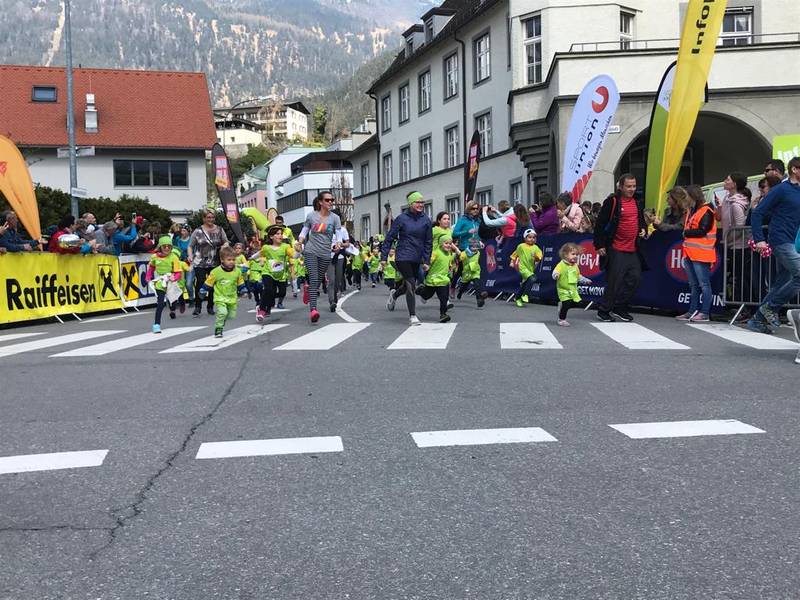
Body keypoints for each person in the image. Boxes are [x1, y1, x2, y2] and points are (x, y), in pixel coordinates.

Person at [747, 156, 800, 334]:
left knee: (782, 283)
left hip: (794, 242)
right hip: (781, 240)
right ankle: (770, 307)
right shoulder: (781, 189)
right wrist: (759, 239)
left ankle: (757, 320)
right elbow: (758, 213)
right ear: (794, 169)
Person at [593, 173, 647, 322]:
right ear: (621, 187)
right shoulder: (612, 202)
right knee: (614, 281)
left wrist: (643, 229)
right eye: (628, 186)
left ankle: (619, 307)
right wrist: (599, 245)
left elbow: (641, 221)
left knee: (635, 278)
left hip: (632, 249)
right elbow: (600, 224)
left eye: (634, 186)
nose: (632, 189)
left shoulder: (637, 202)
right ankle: (604, 310)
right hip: (616, 248)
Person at [382, 191, 432, 325]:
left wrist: (427, 260)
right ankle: (413, 316)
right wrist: (384, 257)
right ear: (410, 203)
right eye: (417, 202)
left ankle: (394, 295)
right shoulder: (401, 219)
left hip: (417, 257)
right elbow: (389, 238)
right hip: (403, 256)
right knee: (410, 283)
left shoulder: (426, 220)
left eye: (422, 202)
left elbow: (428, 242)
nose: (421, 204)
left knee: (408, 285)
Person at [297, 190, 342, 323]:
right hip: (311, 251)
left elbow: (338, 234)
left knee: (316, 282)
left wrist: (338, 244)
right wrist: (300, 241)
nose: (330, 202)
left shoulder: (335, 218)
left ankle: (308, 289)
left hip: (325, 253)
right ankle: (313, 310)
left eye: (332, 200)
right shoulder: (311, 216)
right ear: (320, 202)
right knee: (314, 279)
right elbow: (304, 231)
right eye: (327, 200)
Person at [675, 185, 717, 322]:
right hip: (690, 252)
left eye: (687, 196)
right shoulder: (692, 210)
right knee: (694, 284)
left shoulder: (706, 211)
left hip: (701, 253)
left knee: (703, 284)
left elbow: (703, 230)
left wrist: (686, 233)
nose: (685, 199)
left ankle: (704, 313)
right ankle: (692, 311)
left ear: (693, 196)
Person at [199, 245, 248, 338]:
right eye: (229, 260)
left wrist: (243, 290)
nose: (231, 262)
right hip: (220, 297)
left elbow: (240, 282)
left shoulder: (237, 271)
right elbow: (209, 282)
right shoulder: (216, 272)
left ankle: (222, 320)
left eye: (233, 260)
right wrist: (203, 290)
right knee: (222, 312)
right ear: (222, 260)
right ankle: (218, 328)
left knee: (231, 316)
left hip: (232, 297)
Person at [189, 209, 229, 317]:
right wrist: (190, 255)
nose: (211, 219)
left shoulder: (219, 230)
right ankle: (198, 306)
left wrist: (224, 246)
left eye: (212, 217)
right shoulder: (198, 231)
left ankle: (210, 306)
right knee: (201, 282)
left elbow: (226, 241)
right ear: (204, 218)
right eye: (208, 217)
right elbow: (190, 246)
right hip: (200, 261)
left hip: (214, 261)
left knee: (213, 283)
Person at [451, 199, 487, 307]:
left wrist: (480, 242)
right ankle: (453, 287)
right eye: (473, 208)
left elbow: (478, 234)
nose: (475, 210)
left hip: (475, 247)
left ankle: (479, 297)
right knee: (461, 271)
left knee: (474, 271)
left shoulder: (478, 220)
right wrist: (467, 231)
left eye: (477, 208)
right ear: (468, 209)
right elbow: (454, 233)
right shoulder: (463, 220)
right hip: (465, 248)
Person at [145, 236, 183, 334]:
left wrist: (174, 278)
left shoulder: (174, 257)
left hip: (171, 281)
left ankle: (175, 307)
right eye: (164, 246)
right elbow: (151, 268)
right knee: (160, 303)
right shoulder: (154, 257)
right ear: (160, 247)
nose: (166, 248)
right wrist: (148, 277)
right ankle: (156, 325)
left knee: (173, 300)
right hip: (160, 282)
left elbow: (178, 272)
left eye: (169, 246)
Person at [257, 225, 294, 321]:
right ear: (271, 236)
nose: (280, 235)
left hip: (281, 275)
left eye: (281, 234)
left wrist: (298, 251)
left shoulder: (286, 246)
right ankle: (261, 310)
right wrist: (260, 260)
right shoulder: (266, 247)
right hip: (268, 272)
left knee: (282, 293)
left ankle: (268, 298)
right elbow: (261, 254)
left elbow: (293, 255)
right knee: (268, 290)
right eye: (277, 234)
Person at [416, 235, 457, 323]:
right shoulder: (436, 253)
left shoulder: (449, 254)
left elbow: (449, 264)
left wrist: (451, 268)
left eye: (450, 244)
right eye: (446, 243)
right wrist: (426, 265)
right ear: (441, 244)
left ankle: (443, 314)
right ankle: (420, 291)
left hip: (443, 280)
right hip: (433, 280)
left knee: (444, 298)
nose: (448, 245)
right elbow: (428, 261)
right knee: (427, 295)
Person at [552, 242, 593, 326]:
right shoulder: (561, 264)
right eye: (573, 254)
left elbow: (578, 276)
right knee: (566, 303)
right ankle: (561, 319)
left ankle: (562, 306)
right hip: (563, 289)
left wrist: (585, 280)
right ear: (565, 255)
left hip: (573, 290)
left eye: (576, 254)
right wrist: (556, 275)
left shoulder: (575, 266)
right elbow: (555, 272)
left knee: (577, 303)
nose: (575, 256)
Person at [716, 171, 750, 251]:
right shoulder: (726, 198)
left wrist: (727, 240)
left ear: (734, 184)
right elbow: (719, 218)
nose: (724, 181)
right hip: (728, 245)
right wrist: (719, 207)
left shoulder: (736, 204)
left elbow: (740, 227)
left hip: (738, 247)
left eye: (728, 180)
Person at [511, 229, 543, 307]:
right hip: (522, 267)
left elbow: (539, 258)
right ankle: (525, 295)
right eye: (529, 237)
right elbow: (514, 255)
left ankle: (517, 298)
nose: (532, 239)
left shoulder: (536, 248)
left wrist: (536, 257)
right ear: (525, 238)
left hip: (530, 269)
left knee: (525, 284)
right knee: (533, 278)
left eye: (534, 237)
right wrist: (512, 262)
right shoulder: (521, 246)